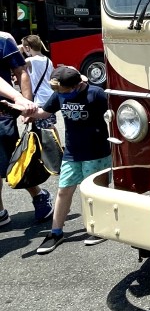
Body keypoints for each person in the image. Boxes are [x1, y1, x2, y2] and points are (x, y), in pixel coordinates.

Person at [21, 66, 110, 254]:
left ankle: (100, 228)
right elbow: (44, 112)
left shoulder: (96, 94)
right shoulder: (59, 94)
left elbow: (116, 115)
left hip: (97, 152)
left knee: (94, 194)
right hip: (71, 152)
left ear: (77, 85)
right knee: (63, 191)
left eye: (63, 91)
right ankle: (56, 232)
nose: (61, 95)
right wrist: (27, 112)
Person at [0, 33, 53, 228]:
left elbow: (21, 71)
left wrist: (25, 102)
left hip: (3, 112)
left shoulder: (4, 39)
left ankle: (39, 195)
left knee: (13, 161)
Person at [21, 35, 59, 137]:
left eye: (24, 48)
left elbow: (18, 64)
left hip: (41, 99)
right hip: (50, 96)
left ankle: (55, 151)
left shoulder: (31, 61)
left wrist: (20, 51)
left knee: (46, 129)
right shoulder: (48, 60)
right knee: (48, 126)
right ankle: (55, 149)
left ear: (28, 48)